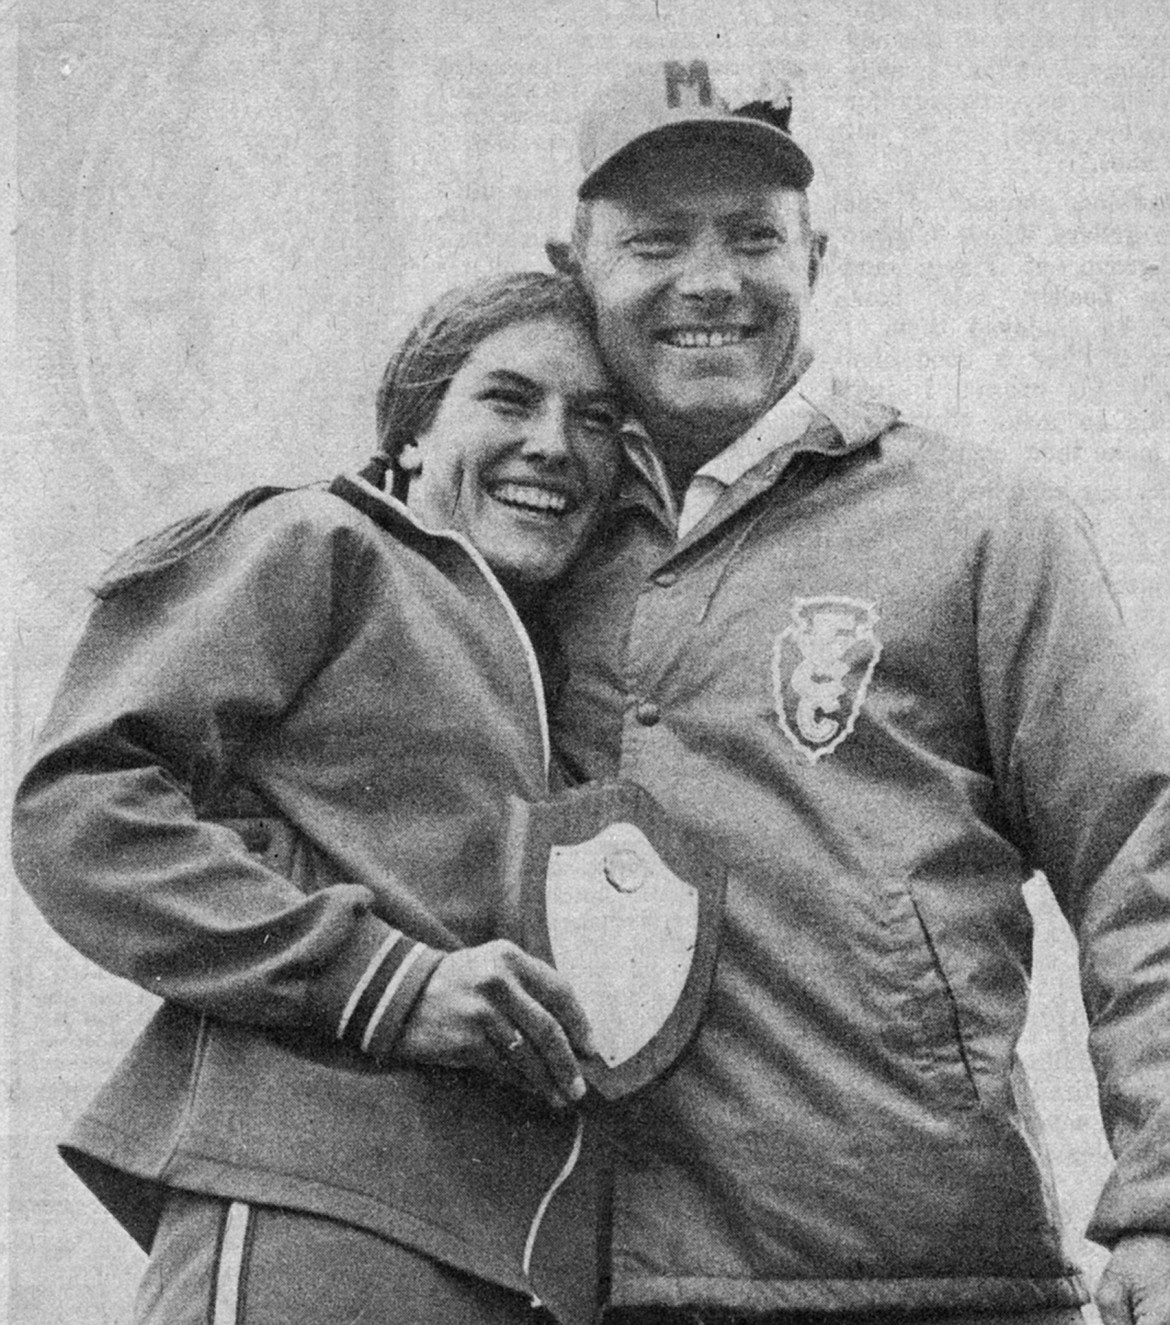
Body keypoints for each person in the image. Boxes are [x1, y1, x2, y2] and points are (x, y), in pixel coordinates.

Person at [543, 58, 1170, 1325]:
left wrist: (1163, 1199)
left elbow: (1140, 862)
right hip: (590, 1283)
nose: (708, 281)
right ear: (575, 270)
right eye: (656, 241)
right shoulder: (531, 549)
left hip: (934, 1279)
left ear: (816, 257)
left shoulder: (982, 523)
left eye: (753, 238)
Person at [11, 270, 628, 1325]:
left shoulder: (574, 668)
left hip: (515, 1258)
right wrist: (379, 979)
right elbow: (81, 805)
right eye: (509, 399)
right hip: (315, 1203)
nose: (555, 442)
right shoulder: (324, 543)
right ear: (416, 429)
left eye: (597, 419)